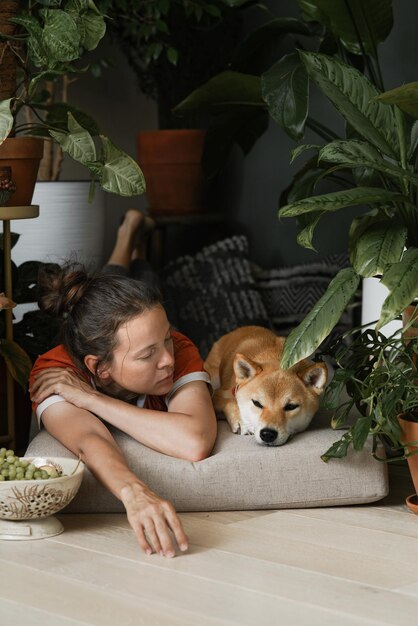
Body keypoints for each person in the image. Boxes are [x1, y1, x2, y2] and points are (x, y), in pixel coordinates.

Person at [29, 210, 217, 558]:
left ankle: (133, 239)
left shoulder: (179, 346)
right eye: (148, 356)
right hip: (103, 342)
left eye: (167, 341)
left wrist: (93, 401)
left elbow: (194, 442)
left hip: (122, 337)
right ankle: (128, 232)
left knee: (142, 278)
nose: (168, 360)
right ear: (97, 369)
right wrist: (135, 493)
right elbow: (88, 440)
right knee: (117, 291)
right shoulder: (56, 371)